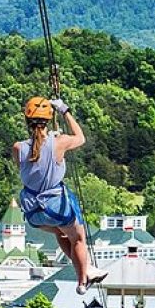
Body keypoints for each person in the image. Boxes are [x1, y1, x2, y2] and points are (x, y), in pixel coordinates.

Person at [13, 96, 107, 295]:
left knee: (61, 232)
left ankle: (84, 268)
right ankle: (82, 280)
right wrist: (65, 111)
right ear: (48, 120)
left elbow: (30, 164)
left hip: (33, 212)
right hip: (56, 207)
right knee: (79, 238)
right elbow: (81, 138)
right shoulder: (59, 143)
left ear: (27, 121)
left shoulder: (18, 148)